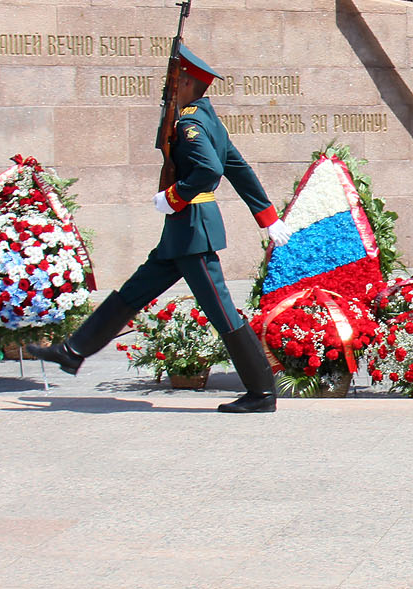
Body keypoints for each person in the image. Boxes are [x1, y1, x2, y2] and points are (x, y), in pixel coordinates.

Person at [29, 43, 293, 413]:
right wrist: (267, 217)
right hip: (181, 236)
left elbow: (210, 171)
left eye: (174, 83)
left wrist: (173, 196)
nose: (169, 89)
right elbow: (239, 169)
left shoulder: (190, 124)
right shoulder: (208, 120)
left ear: (186, 82)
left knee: (222, 312)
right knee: (132, 293)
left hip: (193, 235)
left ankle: (262, 393)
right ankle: (74, 350)